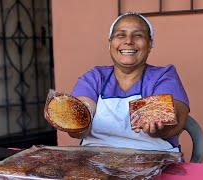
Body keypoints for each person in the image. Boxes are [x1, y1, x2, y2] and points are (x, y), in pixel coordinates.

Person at [69, 12, 189, 152]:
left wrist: (157, 126)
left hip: (153, 158)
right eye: (120, 35)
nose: (128, 41)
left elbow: (175, 121)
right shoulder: (95, 77)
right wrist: (75, 121)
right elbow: (81, 118)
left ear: (150, 44)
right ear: (110, 43)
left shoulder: (163, 76)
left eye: (138, 35)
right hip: (95, 160)